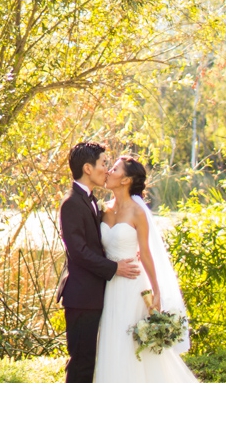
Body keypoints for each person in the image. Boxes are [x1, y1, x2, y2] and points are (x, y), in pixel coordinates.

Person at [93, 155, 197, 382]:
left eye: (115, 169)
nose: (108, 172)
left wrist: (156, 291)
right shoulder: (103, 209)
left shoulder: (137, 213)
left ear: (126, 180)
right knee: (111, 340)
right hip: (110, 284)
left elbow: (146, 254)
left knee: (129, 342)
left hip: (133, 285)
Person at [57, 141, 141, 382]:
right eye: (104, 163)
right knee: (81, 362)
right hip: (81, 295)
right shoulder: (72, 202)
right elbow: (79, 251)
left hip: (95, 294)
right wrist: (115, 267)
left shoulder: (92, 201)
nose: (106, 169)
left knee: (90, 360)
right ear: (87, 168)